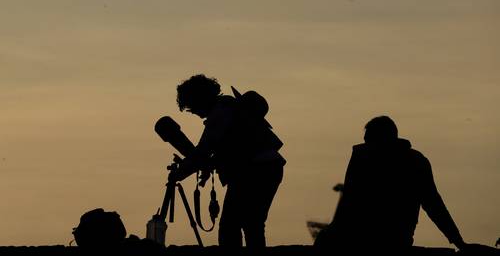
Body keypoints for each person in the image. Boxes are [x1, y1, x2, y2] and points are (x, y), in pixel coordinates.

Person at [315, 116, 468, 253]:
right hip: (376, 237)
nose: (367, 146)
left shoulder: (412, 162)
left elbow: (433, 204)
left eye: (370, 141)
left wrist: (457, 240)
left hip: (388, 239)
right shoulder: (414, 161)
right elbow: (348, 204)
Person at [170, 74, 286, 248]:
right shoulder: (229, 109)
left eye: (191, 106)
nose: (192, 111)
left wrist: (181, 172)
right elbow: (234, 148)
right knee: (252, 224)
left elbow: (203, 151)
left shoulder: (221, 113)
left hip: (255, 171)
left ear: (199, 99)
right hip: (267, 168)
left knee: (231, 227)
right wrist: (208, 166)